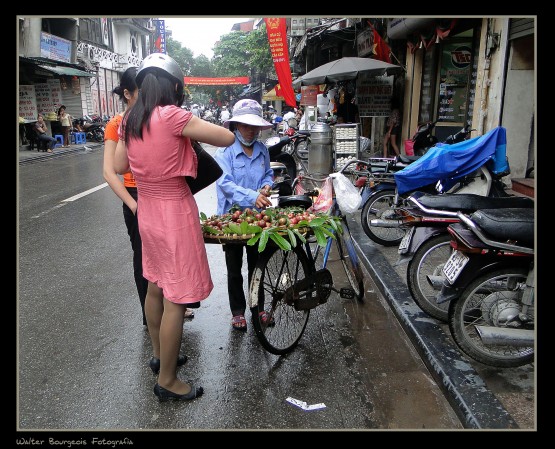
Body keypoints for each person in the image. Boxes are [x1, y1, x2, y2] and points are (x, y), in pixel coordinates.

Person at [113, 53, 235, 401]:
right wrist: (185, 128)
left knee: (154, 286)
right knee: (177, 299)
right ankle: (168, 379)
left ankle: (159, 355)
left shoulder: (131, 119)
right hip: (173, 211)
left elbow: (121, 163)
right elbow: (226, 137)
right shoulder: (172, 116)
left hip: (147, 211)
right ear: (175, 87)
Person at [213, 99, 275, 331]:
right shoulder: (225, 152)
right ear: (236, 125)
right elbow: (225, 185)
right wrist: (252, 196)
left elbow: (268, 174)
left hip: (258, 218)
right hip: (232, 220)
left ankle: (258, 309)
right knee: (234, 268)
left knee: (258, 265)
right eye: (245, 125)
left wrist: (267, 186)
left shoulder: (262, 150)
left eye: (254, 126)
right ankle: (237, 311)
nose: (250, 130)